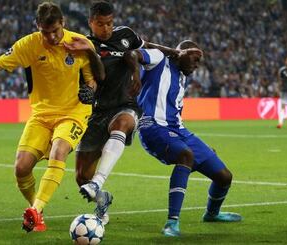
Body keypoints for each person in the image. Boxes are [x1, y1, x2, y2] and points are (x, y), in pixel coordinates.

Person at [0, 2, 104, 233]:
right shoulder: (29, 45)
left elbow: (93, 79)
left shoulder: (78, 43)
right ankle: (37, 213)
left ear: (63, 23)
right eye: (46, 32)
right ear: (38, 27)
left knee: (59, 150)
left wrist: (90, 90)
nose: (52, 37)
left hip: (73, 113)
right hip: (42, 114)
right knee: (21, 168)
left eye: (55, 30)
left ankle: (36, 209)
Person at [71, 0, 195, 225]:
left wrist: (175, 52)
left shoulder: (125, 35)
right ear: (90, 23)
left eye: (109, 23)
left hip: (126, 104)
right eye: (101, 24)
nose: (106, 28)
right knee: (81, 177)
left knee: (123, 123)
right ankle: (101, 199)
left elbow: (148, 45)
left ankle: (98, 181)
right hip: (97, 111)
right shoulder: (85, 46)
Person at [129, 40, 242, 237]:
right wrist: (135, 77)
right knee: (185, 155)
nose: (197, 65)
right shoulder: (159, 59)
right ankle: (172, 223)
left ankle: (212, 214)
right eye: (195, 59)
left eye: (199, 62)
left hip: (178, 129)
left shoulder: (182, 77)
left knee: (224, 176)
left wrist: (202, 148)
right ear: (181, 53)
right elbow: (132, 54)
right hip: (153, 126)